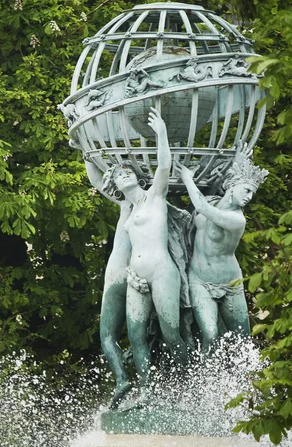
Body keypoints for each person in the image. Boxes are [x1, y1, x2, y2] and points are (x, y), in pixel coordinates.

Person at [103, 108, 188, 391]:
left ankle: (189, 389)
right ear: (114, 185)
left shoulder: (154, 196)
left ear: (137, 177)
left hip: (162, 272)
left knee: (171, 333)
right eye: (119, 175)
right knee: (135, 336)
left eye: (128, 171)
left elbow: (164, 166)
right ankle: (147, 391)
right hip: (136, 279)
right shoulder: (126, 210)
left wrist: (161, 133)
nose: (124, 175)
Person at [176, 157, 268, 355]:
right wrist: (237, 157)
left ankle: (246, 381)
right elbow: (204, 196)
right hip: (199, 279)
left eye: (253, 193)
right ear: (232, 187)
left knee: (242, 339)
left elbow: (201, 207)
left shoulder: (237, 219)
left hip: (230, 283)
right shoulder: (213, 200)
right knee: (209, 334)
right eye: (247, 190)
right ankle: (205, 380)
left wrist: (187, 178)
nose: (249, 197)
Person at [84, 158, 134, 409]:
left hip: (118, 272)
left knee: (107, 335)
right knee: (142, 338)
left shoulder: (127, 202)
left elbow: (95, 180)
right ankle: (147, 382)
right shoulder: (156, 202)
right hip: (146, 272)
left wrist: (85, 151)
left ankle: (122, 379)